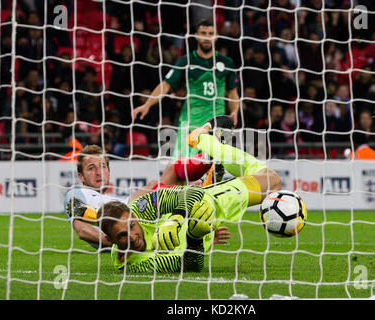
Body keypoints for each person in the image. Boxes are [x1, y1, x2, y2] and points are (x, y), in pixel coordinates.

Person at [97, 122, 282, 272]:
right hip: (200, 227)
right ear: (110, 240)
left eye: (131, 226)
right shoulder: (135, 264)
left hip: (208, 201)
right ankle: (209, 151)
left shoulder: (140, 207)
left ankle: (204, 143)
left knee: (272, 181)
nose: (132, 236)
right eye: (122, 235)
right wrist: (195, 237)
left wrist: (176, 219)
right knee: (270, 179)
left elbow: (191, 194)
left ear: (134, 217)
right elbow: (190, 265)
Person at [64, 141, 232, 250]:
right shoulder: (76, 194)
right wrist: (112, 241)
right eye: (91, 168)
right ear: (81, 176)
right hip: (132, 221)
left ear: (109, 170)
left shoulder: (108, 199)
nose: (99, 172)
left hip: (138, 220)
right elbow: (82, 230)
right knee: (154, 186)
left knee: (172, 170)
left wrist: (202, 237)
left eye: (102, 166)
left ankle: (208, 160)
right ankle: (203, 185)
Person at [132, 18, 240, 159]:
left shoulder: (227, 62)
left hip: (215, 124)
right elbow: (166, 85)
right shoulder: (186, 61)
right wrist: (147, 104)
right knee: (182, 169)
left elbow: (232, 92)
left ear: (216, 36)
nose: (207, 37)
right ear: (196, 35)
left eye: (210, 33)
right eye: (203, 33)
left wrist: (234, 111)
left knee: (211, 172)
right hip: (190, 123)